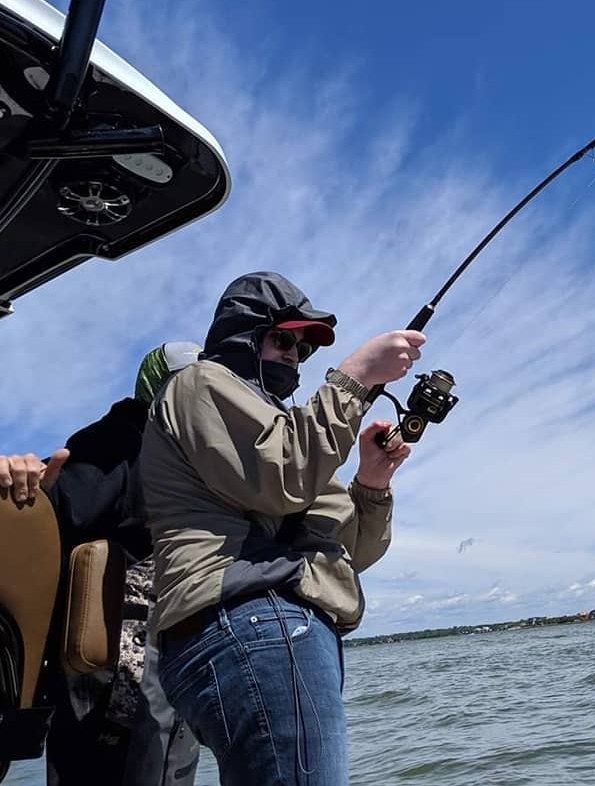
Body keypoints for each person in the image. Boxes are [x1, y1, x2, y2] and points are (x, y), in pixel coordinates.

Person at [142, 272, 425, 786]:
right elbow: (282, 478)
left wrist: (372, 482)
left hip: (268, 628)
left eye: (300, 346)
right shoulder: (201, 384)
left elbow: (348, 551)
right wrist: (355, 376)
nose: (294, 353)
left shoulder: (282, 425)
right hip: (252, 618)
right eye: (282, 338)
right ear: (243, 337)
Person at [0, 341, 203, 786]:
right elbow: (54, 511)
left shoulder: (189, 463)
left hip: (166, 683)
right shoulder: (117, 443)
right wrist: (18, 487)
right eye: (188, 389)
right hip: (110, 686)